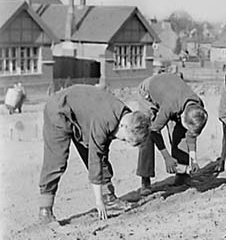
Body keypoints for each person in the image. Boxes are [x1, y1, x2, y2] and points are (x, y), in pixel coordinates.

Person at [39, 85, 150, 224]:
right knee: (57, 161)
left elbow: (101, 152)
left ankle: (109, 198)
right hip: (59, 110)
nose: (121, 141)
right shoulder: (104, 121)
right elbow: (94, 158)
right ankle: (45, 210)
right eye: (124, 139)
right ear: (124, 126)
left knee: (102, 153)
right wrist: (98, 201)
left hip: (80, 113)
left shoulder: (124, 114)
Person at [136, 73, 208, 196]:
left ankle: (181, 175)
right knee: (146, 133)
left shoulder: (197, 107)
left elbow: (191, 133)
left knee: (180, 132)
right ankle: (145, 180)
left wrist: (193, 159)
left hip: (170, 90)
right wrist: (167, 157)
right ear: (183, 115)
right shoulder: (170, 106)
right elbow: (154, 130)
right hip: (148, 92)